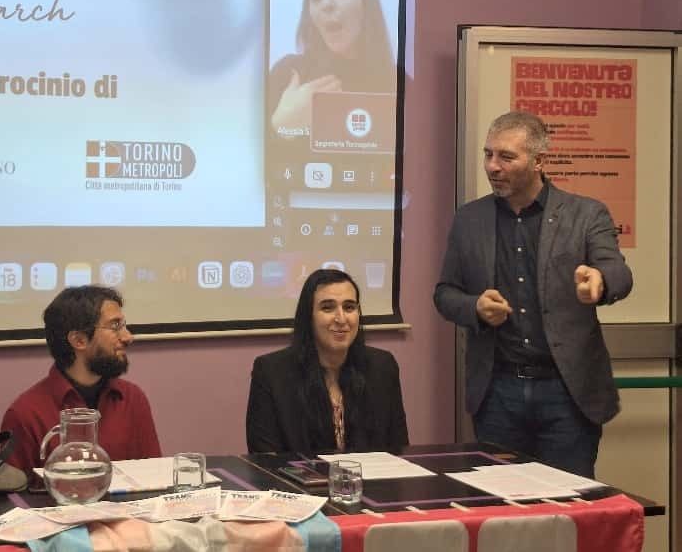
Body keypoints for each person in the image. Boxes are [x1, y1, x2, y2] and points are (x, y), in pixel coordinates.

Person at [434, 111, 632, 478]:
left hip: (567, 393)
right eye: (488, 154)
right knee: (501, 500)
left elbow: (619, 272)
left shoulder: (585, 214)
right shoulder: (469, 219)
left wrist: (600, 280)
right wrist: (475, 307)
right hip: (498, 391)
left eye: (506, 157)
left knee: (568, 502)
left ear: (539, 161)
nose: (492, 166)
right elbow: (445, 293)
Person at [1, 285, 161, 474]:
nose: (128, 337)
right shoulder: (26, 414)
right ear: (79, 340)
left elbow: (156, 478)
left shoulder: (132, 398)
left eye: (124, 325)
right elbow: (14, 491)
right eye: (115, 326)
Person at [246, 269, 408, 454]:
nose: (341, 319)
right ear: (308, 317)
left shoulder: (382, 367)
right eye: (327, 308)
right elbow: (264, 460)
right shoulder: (271, 373)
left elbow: (399, 450)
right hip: (298, 474)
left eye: (349, 307)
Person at [269, 0, 396, 138]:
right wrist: (282, 126)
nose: (326, 4)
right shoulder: (287, 74)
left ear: (365, 0)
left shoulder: (397, 81)